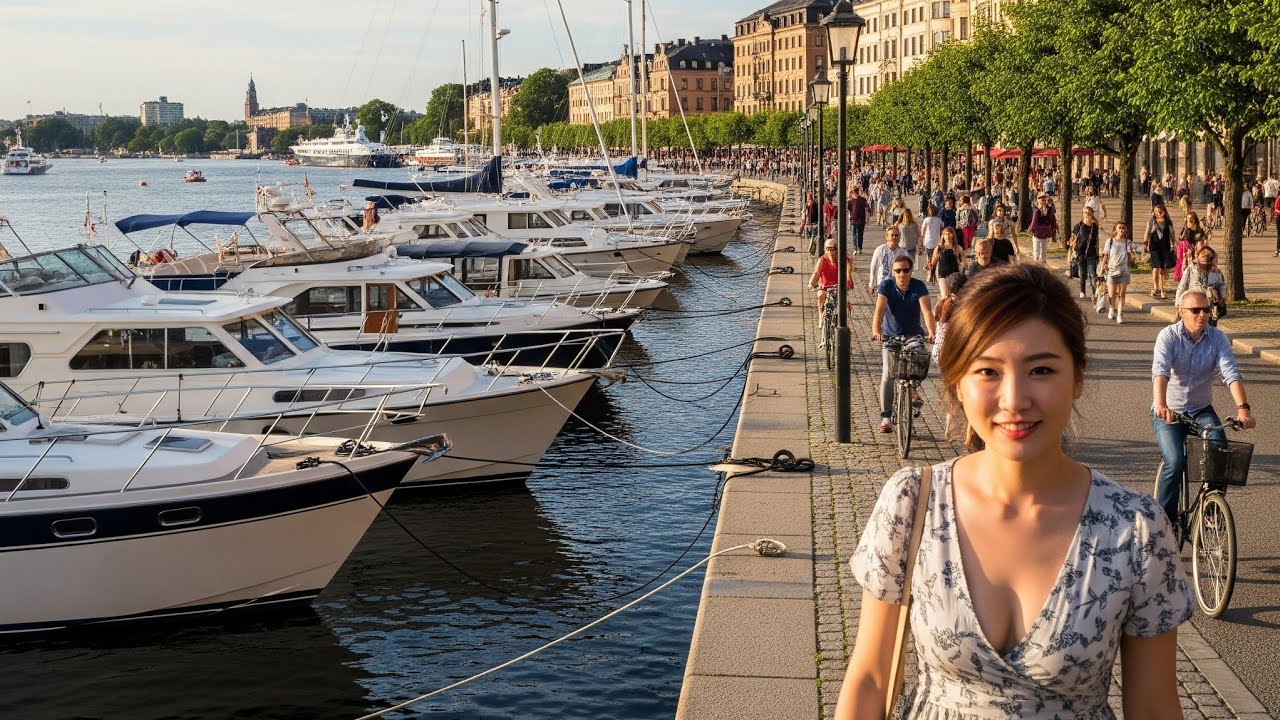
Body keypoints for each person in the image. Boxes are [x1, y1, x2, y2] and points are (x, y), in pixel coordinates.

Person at [838, 263, 1192, 720]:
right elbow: (871, 679)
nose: (1014, 400)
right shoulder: (911, 503)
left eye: (1041, 370)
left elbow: (1154, 706)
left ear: (1078, 377)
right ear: (957, 382)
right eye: (987, 371)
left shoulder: (1135, 529)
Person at [1152, 289, 1256, 525]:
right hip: (1170, 411)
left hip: (1201, 409)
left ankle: (1210, 510)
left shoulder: (1217, 338)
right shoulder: (1168, 336)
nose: (1202, 314)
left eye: (1206, 309)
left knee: (1221, 454)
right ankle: (1163, 523)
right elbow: (1160, 371)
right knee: (1175, 462)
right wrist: (1161, 404)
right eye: (1195, 310)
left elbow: (1230, 373)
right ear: (1181, 311)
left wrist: (1243, 409)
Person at [869, 255, 935, 433]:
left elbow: (927, 312)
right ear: (893, 272)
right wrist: (876, 332)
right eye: (898, 270)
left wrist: (931, 333)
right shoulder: (886, 286)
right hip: (891, 337)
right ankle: (885, 417)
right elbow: (879, 311)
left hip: (913, 336)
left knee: (919, 363)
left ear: (911, 271)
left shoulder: (918, 286)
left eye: (905, 270)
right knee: (888, 375)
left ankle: (912, 390)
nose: (902, 274)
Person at [1099, 222, 1136, 324]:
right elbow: (1105, 256)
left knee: (1122, 294)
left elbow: (1134, 250)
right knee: (1112, 294)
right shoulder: (1110, 241)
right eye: (1119, 228)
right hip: (1111, 271)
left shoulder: (1128, 242)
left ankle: (1120, 314)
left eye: (1123, 228)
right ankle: (1112, 308)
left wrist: (1134, 253)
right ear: (1115, 229)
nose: (1122, 230)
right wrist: (1101, 270)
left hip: (1124, 271)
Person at [1174, 246, 1226, 319]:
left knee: (1209, 323)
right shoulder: (1190, 269)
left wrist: (1223, 296)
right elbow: (1182, 286)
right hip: (1193, 303)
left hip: (1209, 306)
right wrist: (1178, 303)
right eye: (1203, 257)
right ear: (1198, 257)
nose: (1205, 260)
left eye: (1208, 258)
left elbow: (1221, 284)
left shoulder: (1215, 271)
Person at [809, 238, 854, 313]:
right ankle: (821, 314)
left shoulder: (844, 260)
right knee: (820, 295)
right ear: (825, 250)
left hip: (839, 286)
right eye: (828, 250)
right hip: (825, 286)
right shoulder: (822, 260)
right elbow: (816, 273)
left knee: (844, 301)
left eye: (832, 249)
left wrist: (849, 282)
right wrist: (811, 283)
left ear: (837, 250)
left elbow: (848, 274)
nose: (830, 252)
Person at [867, 226, 911, 293]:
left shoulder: (903, 253)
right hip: (882, 284)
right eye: (892, 235)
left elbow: (908, 269)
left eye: (896, 235)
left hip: (897, 286)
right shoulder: (879, 250)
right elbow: (873, 267)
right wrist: (871, 284)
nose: (894, 237)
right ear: (887, 237)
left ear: (899, 237)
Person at [1145, 204, 1175, 300]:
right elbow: (1147, 232)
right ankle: (1155, 287)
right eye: (1156, 212)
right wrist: (1145, 243)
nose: (1158, 214)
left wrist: (1173, 244)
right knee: (1155, 267)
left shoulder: (1168, 222)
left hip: (1164, 246)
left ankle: (1162, 289)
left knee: (1162, 268)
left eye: (1160, 212)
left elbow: (1172, 234)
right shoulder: (1151, 221)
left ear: (1164, 212)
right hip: (1154, 246)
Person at [1070, 206, 1101, 299]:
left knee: (1093, 274)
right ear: (1083, 214)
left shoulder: (1094, 227)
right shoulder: (1079, 225)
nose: (1087, 215)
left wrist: (1098, 251)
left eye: (1089, 213)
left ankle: (1094, 293)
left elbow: (1096, 240)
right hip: (1080, 254)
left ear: (1092, 215)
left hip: (1091, 254)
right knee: (1082, 274)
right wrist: (1072, 251)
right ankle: (1082, 291)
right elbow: (1073, 239)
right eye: (1086, 213)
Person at [928, 227, 964, 298]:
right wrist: (929, 267)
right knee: (945, 297)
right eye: (945, 234)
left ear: (953, 235)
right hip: (942, 275)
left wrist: (964, 265)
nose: (947, 236)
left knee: (954, 297)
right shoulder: (939, 248)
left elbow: (963, 261)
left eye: (949, 234)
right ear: (943, 236)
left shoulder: (957, 247)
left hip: (955, 275)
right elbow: (933, 261)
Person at [1174, 212, 1207, 283]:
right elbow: (1181, 238)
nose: (1189, 220)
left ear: (1195, 219)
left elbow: (1203, 239)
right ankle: (1184, 279)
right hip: (1185, 250)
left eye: (1191, 218)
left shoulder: (1199, 229)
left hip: (1196, 250)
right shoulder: (1186, 228)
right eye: (1188, 218)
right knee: (1184, 264)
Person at [1027, 194, 1057, 262]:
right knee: (1043, 252)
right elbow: (1052, 220)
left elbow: (1033, 223)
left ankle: (1036, 264)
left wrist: (1030, 229)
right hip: (1046, 233)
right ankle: (1043, 264)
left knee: (1036, 251)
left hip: (1037, 233)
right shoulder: (1050, 210)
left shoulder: (1037, 211)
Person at [920, 203, 943, 279]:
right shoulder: (939, 220)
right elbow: (943, 227)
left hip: (928, 241)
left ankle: (929, 274)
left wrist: (922, 239)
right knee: (936, 257)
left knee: (929, 257)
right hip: (936, 241)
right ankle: (935, 272)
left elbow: (922, 231)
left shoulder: (926, 220)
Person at [848, 185, 870, 255]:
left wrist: (868, 213)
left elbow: (868, 207)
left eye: (857, 192)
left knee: (860, 235)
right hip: (853, 220)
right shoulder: (851, 201)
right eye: (855, 192)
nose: (856, 193)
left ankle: (859, 248)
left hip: (861, 220)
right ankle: (855, 248)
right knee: (854, 235)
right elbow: (849, 209)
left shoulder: (863, 200)